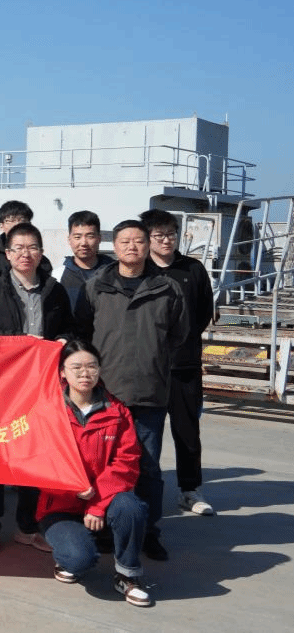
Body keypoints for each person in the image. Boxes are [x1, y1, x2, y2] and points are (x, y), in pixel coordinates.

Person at [75, 220, 187, 562]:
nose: (132, 247)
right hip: (106, 394)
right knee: (104, 466)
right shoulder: (96, 287)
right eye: (124, 241)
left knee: (148, 467)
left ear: (148, 245)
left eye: (138, 241)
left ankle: (149, 532)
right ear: (115, 246)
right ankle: (105, 530)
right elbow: (82, 335)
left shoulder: (167, 288)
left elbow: (179, 334)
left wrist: (154, 360)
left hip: (149, 392)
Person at [0, 222, 75, 554]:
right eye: (18, 248)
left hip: (41, 389)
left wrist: (63, 342)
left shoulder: (55, 291)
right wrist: (19, 343)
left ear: (41, 252)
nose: (25, 254)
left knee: (34, 458)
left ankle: (28, 526)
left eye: (32, 247)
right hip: (0, 389)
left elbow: (70, 330)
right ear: (8, 253)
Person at [38, 340, 152, 607]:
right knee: (78, 560)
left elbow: (127, 462)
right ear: (62, 372)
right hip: (61, 504)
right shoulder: (48, 410)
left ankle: (128, 575)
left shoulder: (117, 411)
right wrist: (71, 486)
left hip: (105, 500)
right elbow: (39, 462)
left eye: (91, 366)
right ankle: (73, 552)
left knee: (131, 507)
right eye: (76, 367)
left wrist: (97, 504)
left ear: (100, 370)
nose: (85, 373)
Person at [140, 209, 217, 516]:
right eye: (159, 235)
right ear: (147, 238)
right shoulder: (140, 270)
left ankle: (190, 490)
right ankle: (141, 490)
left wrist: (181, 342)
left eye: (171, 234)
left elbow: (203, 312)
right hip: (147, 368)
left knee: (187, 432)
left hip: (184, 367)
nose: (166, 240)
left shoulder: (192, 269)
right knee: (145, 434)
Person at [0, 200, 51, 281]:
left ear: (29, 224)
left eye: (22, 220)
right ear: (1, 226)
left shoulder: (41, 261)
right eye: (11, 220)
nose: (17, 224)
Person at [57, 210, 114, 311]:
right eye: (77, 237)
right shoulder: (58, 275)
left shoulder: (114, 271)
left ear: (99, 239)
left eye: (90, 236)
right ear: (69, 240)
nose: (83, 243)